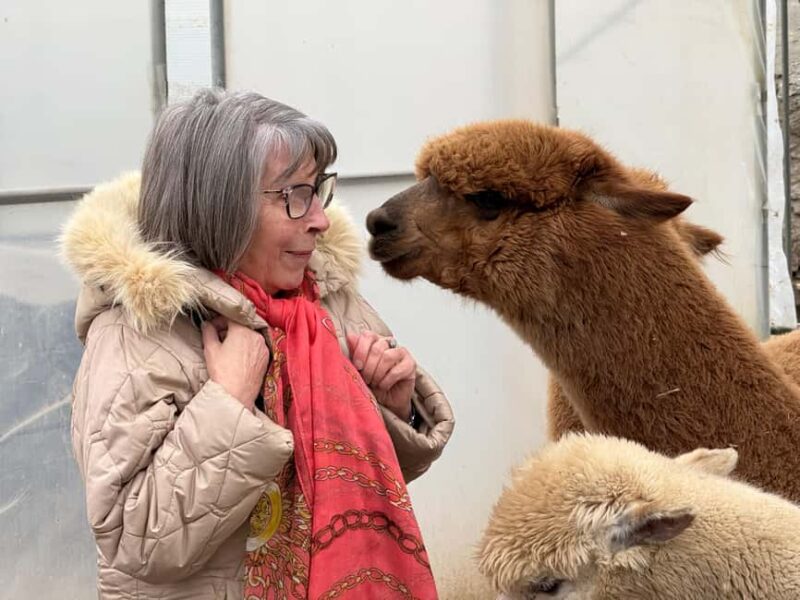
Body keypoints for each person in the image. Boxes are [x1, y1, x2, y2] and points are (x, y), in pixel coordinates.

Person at [61, 89, 454, 599]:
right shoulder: (135, 335)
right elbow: (134, 543)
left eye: (318, 189)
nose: (319, 218)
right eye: (295, 195)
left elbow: (364, 486)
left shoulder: (324, 302)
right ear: (220, 210)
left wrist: (391, 407)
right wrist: (227, 405)